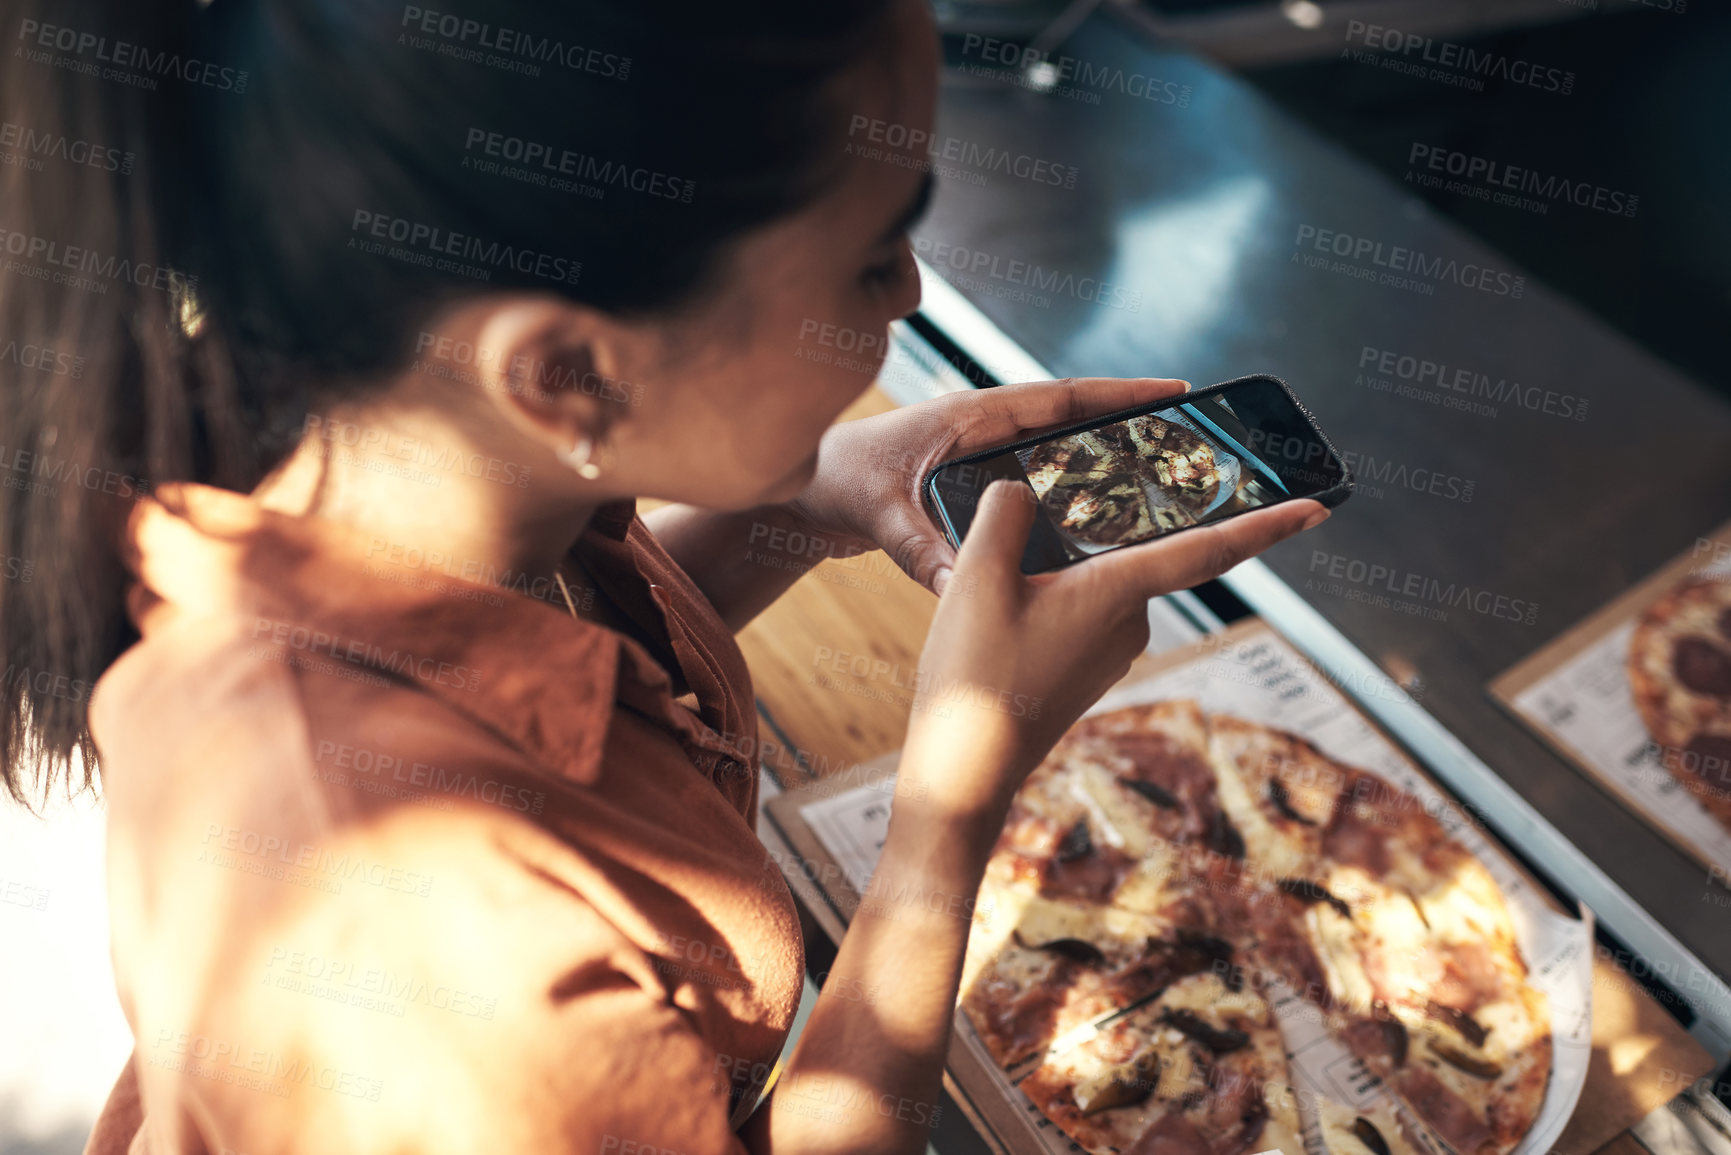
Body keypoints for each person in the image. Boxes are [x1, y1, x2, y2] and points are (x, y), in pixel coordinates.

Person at [0, 0, 1329, 1152]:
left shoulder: (430, 495)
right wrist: (959, 793)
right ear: (569, 375)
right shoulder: (425, 947)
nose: (912, 296)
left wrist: (815, 503)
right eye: (872, 252)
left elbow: (582, 700)